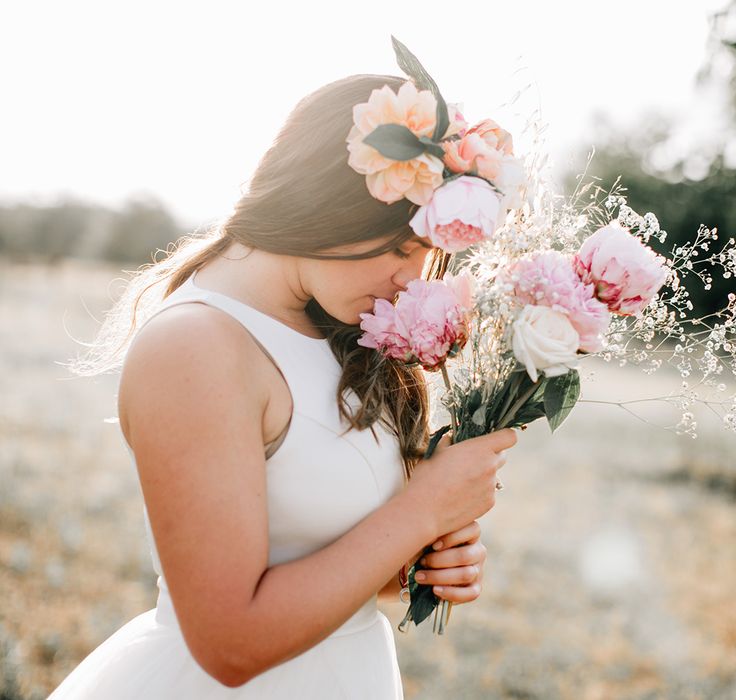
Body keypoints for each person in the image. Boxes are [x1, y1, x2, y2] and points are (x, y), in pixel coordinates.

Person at [51, 72, 517, 698]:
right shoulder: (196, 347)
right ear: (333, 200)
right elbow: (230, 644)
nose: (414, 279)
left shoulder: (341, 327)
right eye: (404, 245)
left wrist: (416, 566)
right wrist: (422, 510)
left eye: (428, 254)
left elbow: (324, 559)